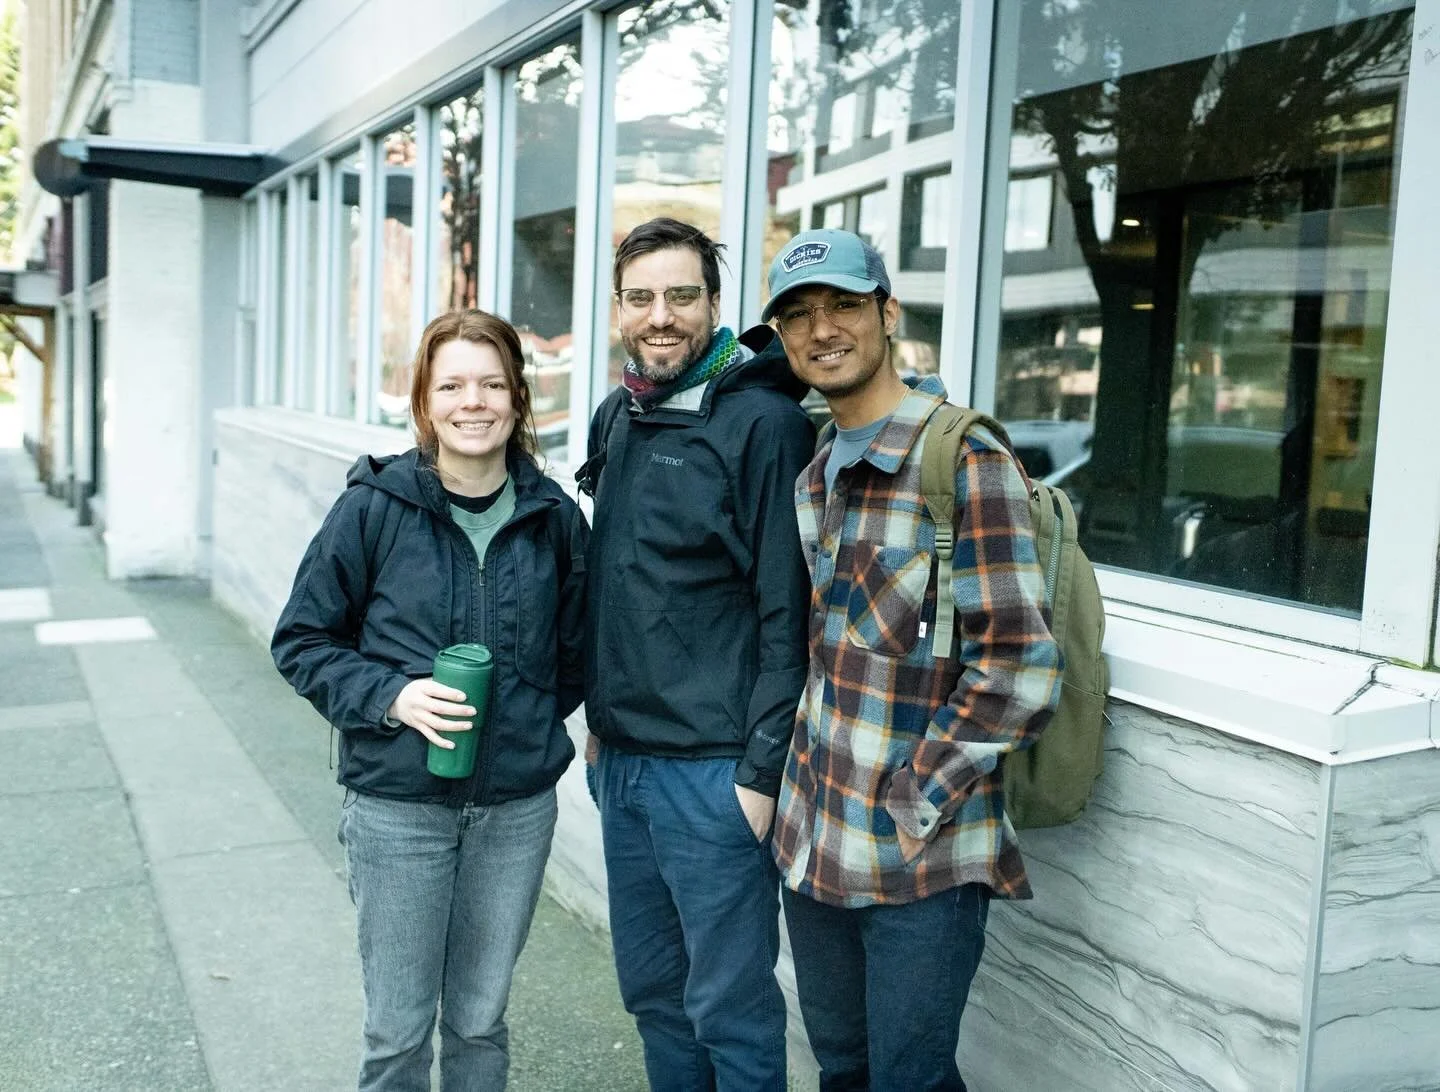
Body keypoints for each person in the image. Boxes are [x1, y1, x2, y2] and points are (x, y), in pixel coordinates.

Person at [763, 229, 1063, 1092]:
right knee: (844, 1069)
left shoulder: (963, 459)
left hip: (919, 857)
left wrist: (916, 793)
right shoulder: (815, 477)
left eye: (844, 305)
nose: (822, 329)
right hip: (814, 846)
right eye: (799, 315)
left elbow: (1019, 666)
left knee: (910, 1078)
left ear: (888, 314)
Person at [271, 309, 588, 1092]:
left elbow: (578, 655)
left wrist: (524, 724)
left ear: (518, 398)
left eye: (489, 383)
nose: (470, 401)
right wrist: (393, 697)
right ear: (424, 400)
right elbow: (302, 641)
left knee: (480, 1023)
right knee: (399, 1033)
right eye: (451, 384)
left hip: (514, 812)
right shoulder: (373, 508)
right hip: (399, 810)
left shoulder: (553, 519)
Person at [576, 217, 814, 1091]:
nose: (660, 315)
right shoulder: (620, 414)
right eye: (641, 298)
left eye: (681, 295)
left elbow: (788, 611)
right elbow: (619, 580)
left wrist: (759, 771)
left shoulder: (763, 423)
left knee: (730, 1007)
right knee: (653, 994)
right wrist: (600, 721)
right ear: (619, 309)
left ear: (714, 304)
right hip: (625, 766)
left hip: (714, 778)